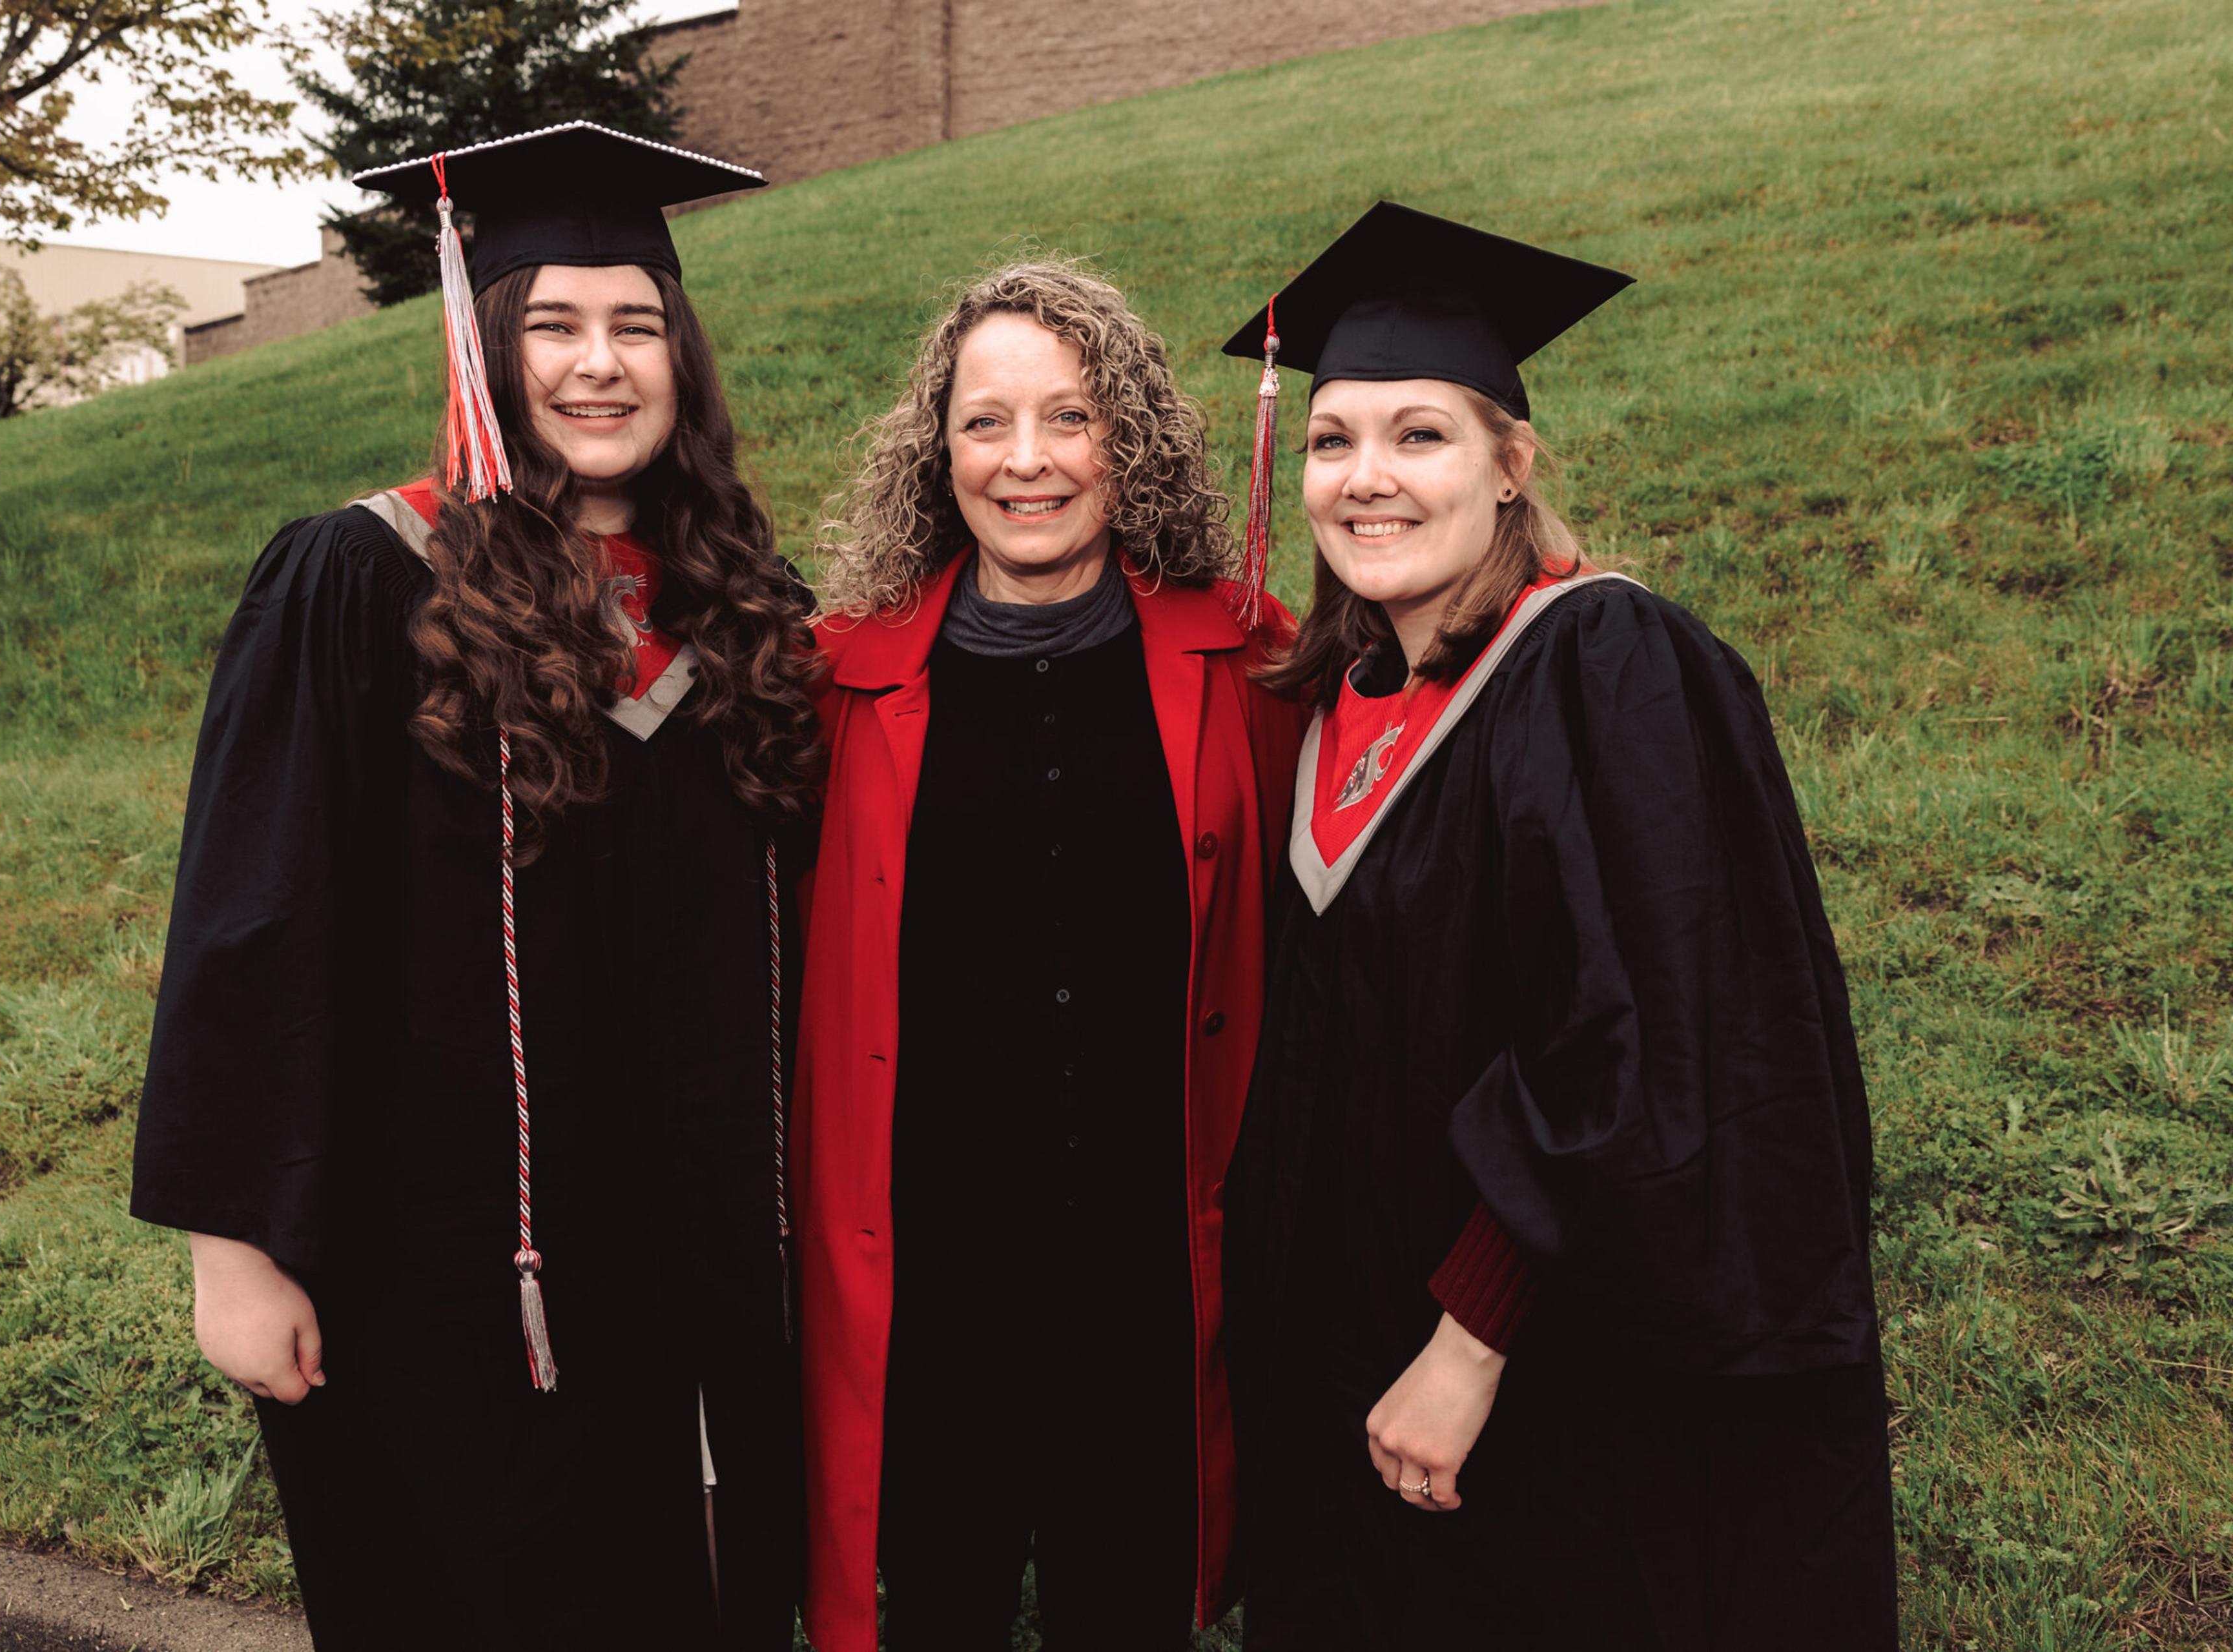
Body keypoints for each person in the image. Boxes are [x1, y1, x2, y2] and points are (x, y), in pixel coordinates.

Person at [130, 122, 819, 1652]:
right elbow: (251, 912)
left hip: (693, 1261)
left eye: (637, 325)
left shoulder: (740, 608)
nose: (599, 364)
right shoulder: (362, 579)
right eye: (554, 326)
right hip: (441, 1273)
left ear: (682, 358)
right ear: (480, 346)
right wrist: (233, 1245)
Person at [1219, 203, 1898, 1651]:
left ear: (1513, 464)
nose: (1364, 479)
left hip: (1550, 1384)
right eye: (1334, 441)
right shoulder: (1343, 709)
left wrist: (1470, 1341)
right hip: (1367, 1373)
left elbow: (1656, 1038)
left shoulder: (1604, 659)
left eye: (1421, 436)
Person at [792, 259, 1304, 1652]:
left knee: (1132, 1610)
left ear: (1126, 441)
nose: (1026, 460)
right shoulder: (836, 687)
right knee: (940, 1604)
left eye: (1070, 419)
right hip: (929, 1285)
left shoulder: (1251, 666)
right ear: (935, 448)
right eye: (984, 422)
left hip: (1152, 1282)